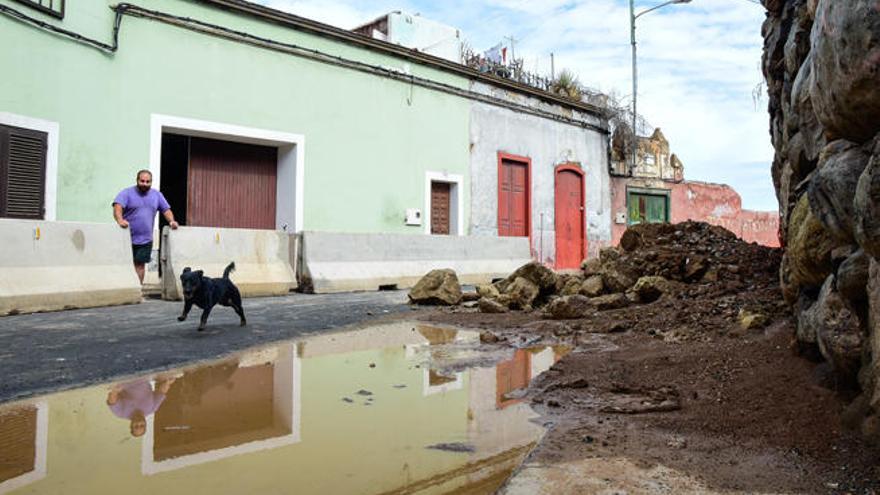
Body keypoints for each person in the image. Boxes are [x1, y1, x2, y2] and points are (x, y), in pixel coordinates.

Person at [112, 170, 179, 284]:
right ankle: (125, 288)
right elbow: (117, 206)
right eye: (142, 181)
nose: (144, 184)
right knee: (125, 265)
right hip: (126, 237)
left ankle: (137, 290)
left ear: (151, 182)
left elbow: (166, 210)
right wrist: (120, 220)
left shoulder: (156, 195)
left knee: (140, 265)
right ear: (137, 180)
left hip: (145, 239)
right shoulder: (127, 193)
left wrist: (172, 221)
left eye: (148, 181)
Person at [106, 377, 176, 437]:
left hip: (125, 379)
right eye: (142, 425)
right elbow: (161, 392)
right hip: (143, 376)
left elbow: (112, 401)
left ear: (131, 425)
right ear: (145, 424)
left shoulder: (121, 413)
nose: (139, 423)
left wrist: (115, 391)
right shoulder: (152, 408)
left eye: (136, 426)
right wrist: (168, 383)